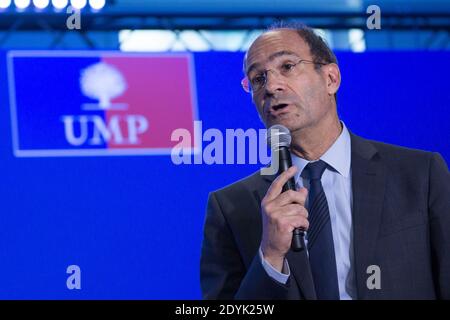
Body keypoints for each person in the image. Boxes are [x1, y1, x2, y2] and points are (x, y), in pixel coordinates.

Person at [200, 24, 450, 300]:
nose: (271, 86)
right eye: (258, 79)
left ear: (331, 78)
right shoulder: (232, 208)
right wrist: (270, 256)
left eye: (287, 66)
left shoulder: (420, 175)